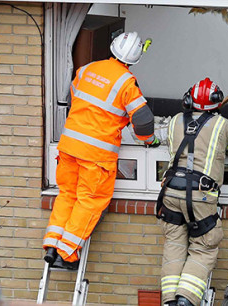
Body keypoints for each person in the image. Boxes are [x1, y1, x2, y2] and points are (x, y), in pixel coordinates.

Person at [43, 31, 159, 268]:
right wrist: (148, 140)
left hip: (69, 146)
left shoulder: (87, 69)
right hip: (95, 155)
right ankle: (68, 254)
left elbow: (76, 99)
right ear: (135, 59)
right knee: (90, 200)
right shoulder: (126, 82)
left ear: (113, 47)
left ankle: (52, 245)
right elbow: (143, 119)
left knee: (67, 194)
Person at [157, 77, 228, 306]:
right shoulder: (222, 125)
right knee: (204, 246)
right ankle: (186, 299)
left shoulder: (175, 120)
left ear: (188, 100)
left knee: (174, 245)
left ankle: (169, 300)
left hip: (171, 192)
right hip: (201, 196)